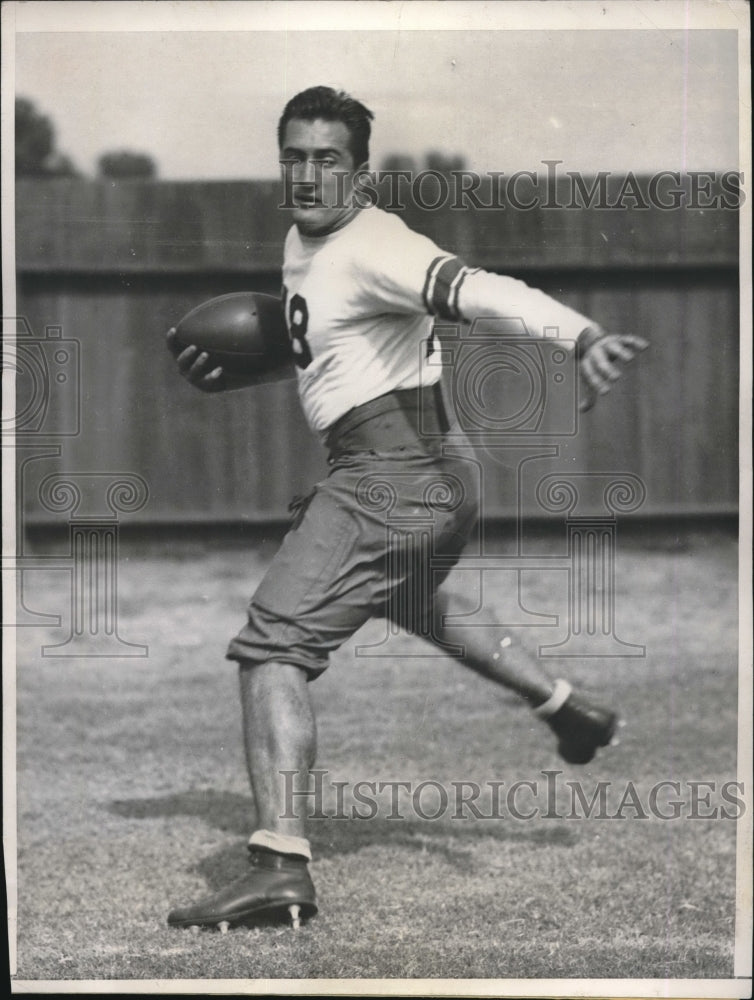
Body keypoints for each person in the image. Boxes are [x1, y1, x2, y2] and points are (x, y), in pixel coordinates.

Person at [165, 86, 648, 933]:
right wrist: (251, 370)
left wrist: (581, 336)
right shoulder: (306, 240)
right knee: (409, 595)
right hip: (436, 472)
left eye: (328, 159)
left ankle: (279, 866)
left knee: (273, 646)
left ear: (360, 174)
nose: (308, 174)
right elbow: (336, 346)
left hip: (394, 473)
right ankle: (567, 707)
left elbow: (480, 289)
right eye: (294, 156)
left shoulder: (377, 242)